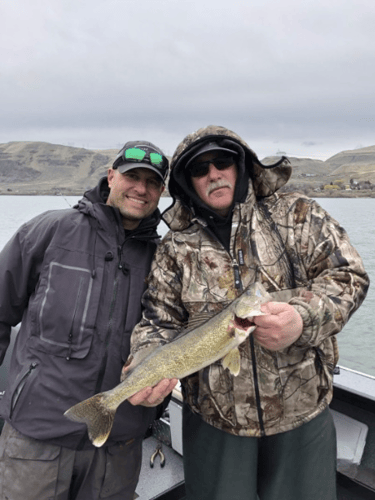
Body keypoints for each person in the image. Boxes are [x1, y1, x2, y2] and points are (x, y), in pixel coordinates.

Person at [129, 125, 370, 500]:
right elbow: (158, 321)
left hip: (301, 416)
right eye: (199, 169)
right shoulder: (175, 247)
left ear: (241, 165)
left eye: (222, 161)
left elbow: (348, 276)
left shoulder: (297, 213)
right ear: (188, 183)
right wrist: (144, 361)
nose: (213, 174)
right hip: (213, 422)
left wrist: (302, 319)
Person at [0, 140, 174, 500]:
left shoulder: (165, 262)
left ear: (161, 192)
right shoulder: (50, 232)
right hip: (37, 438)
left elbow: (172, 337)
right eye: (131, 176)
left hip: (119, 447)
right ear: (111, 177)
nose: (141, 188)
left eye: (152, 182)